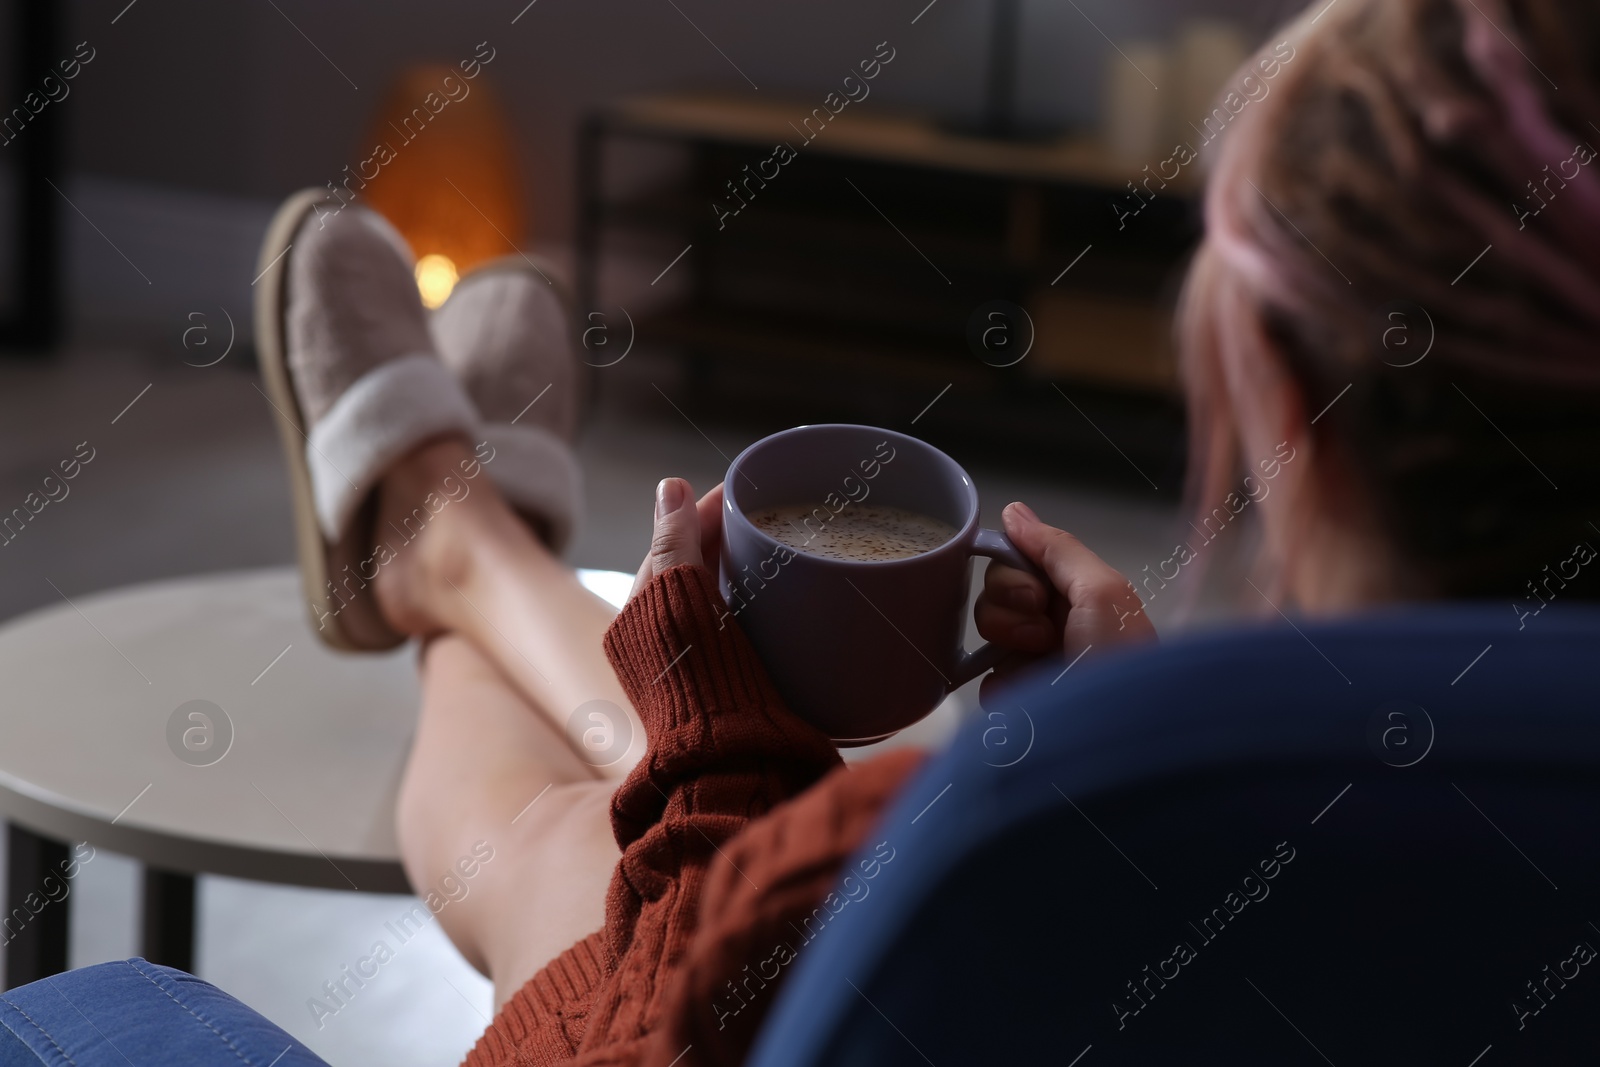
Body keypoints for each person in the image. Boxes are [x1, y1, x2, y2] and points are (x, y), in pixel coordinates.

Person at [3, 0, 1595, 1064]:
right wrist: (1090, 760)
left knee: (567, 845)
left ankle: (454, 537)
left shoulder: (992, 831)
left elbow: (647, 1026)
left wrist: (723, 742)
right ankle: (461, 539)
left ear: (1285, 398)